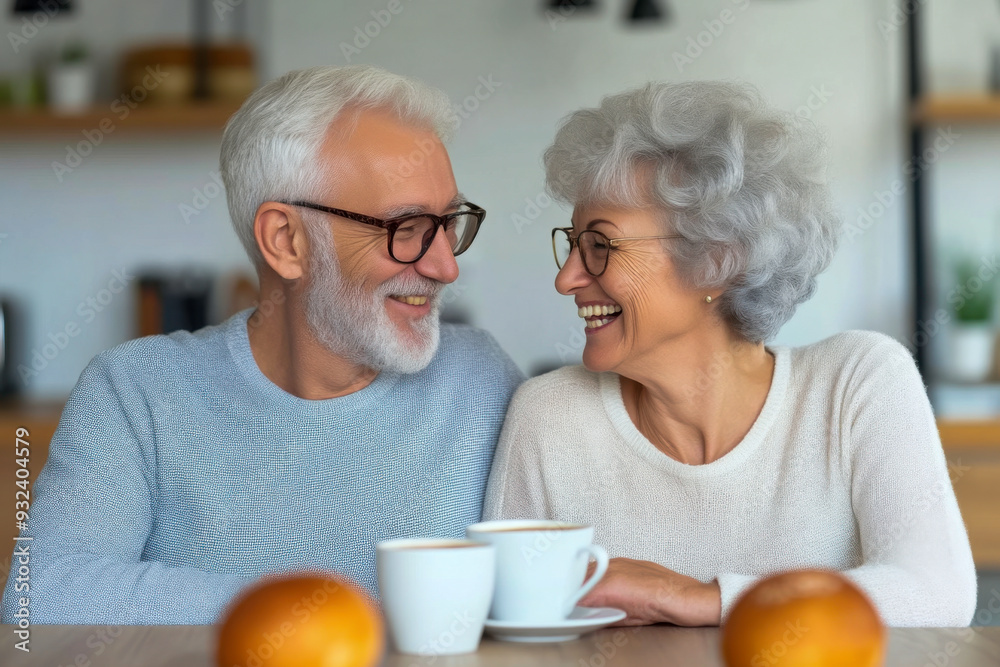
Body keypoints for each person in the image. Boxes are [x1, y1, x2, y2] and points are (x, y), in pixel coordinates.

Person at [1, 65, 523, 624]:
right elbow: (43, 595)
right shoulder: (135, 392)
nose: (446, 266)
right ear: (285, 241)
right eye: (408, 228)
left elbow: (552, 589)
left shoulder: (481, 380)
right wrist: (324, 610)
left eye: (448, 223)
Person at [483, 81, 977, 627]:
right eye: (572, 244)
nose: (566, 278)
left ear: (716, 262)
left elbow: (938, 593)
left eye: (600, 246)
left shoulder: (856, 384)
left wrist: (700, 599)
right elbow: (509, 630)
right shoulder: (548, 415)